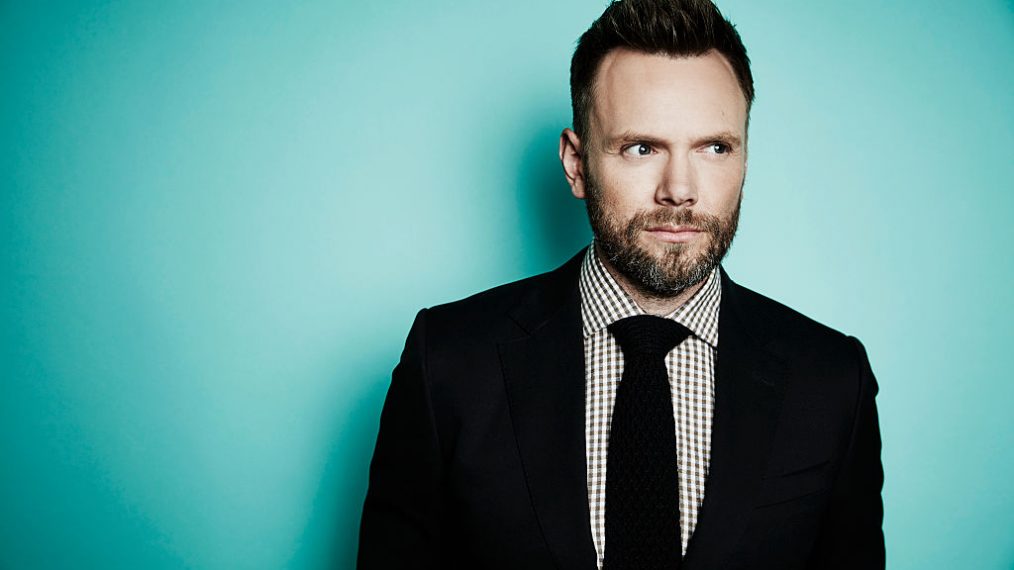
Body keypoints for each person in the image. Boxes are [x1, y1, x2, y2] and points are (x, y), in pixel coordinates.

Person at [357, 0, 884, 568]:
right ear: (577, 164)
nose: (679, 190)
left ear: (745, 158)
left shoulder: (832, 380)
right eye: (641, 148)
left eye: (714, 148)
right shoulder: (450, 363)